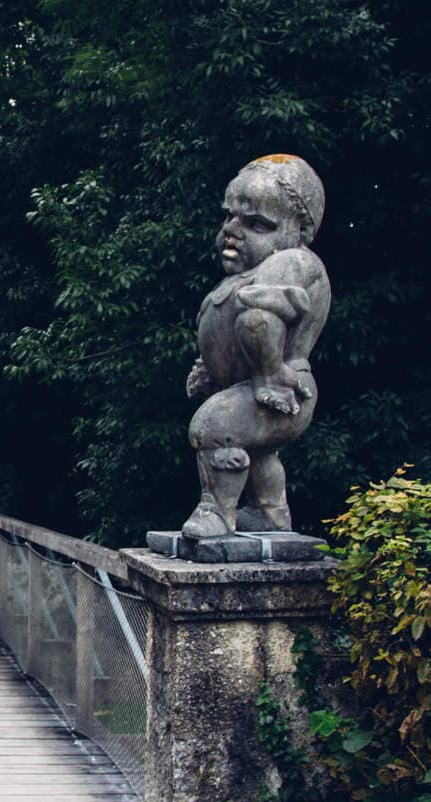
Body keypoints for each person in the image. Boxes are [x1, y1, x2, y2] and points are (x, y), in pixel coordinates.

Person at [181, 154, 330, 538]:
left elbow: (258, 320)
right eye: (230, 216)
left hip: (284, 387)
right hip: (254, 384)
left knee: (214, 427)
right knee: (261, 451)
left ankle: (217, 512)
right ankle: (270, 513)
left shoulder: (293, 261)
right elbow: (224, 336)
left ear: (298, 231)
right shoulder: (246, 276)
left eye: (256, 224)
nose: (233, 230)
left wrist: (267, 374)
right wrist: (208, 370)